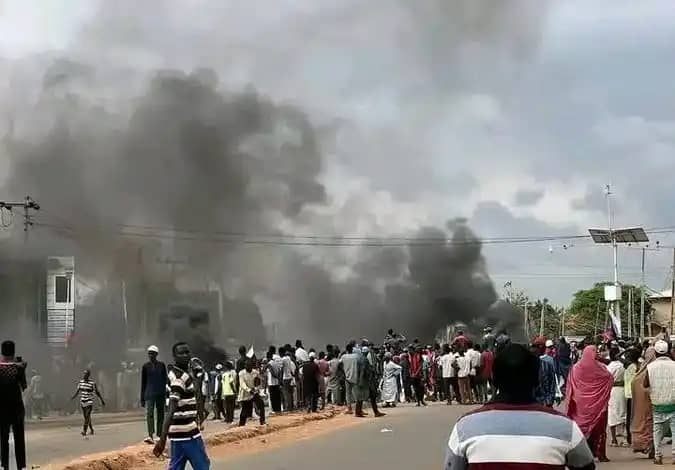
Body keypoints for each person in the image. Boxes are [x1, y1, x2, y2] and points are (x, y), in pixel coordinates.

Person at [444, 343, 596, 470]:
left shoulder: (464, 427)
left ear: (494, 380)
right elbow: (585, 466)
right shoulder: (565, 427)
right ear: (537, 381)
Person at [153, 342, 210, 470]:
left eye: (187, 352)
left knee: (176, 467)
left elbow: (195, 398)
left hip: (178, 435)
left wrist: (196, 379)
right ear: (174, 356)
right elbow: (171, 410)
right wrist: (162, 440)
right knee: (203, 466)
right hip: (188, 434)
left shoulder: (182, 374)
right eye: (181, 353)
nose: (185, 355)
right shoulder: (178, 379)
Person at [566, 345, 613, 462]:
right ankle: (600, 454)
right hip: (598, 406)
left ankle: (580, 454)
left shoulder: (576, 368)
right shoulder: (602, 368)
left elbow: (570, 386)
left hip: (580, 406)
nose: (597, 354)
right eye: (596, 352)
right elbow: (610, 379)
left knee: (580, 429)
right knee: (599, 429)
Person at [644, 340, 675, 465]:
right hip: (673, 402)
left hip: (657, 403)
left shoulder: (650, 367)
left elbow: (645, 384)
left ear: (655, 353)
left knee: (657, 430)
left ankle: (658, 456)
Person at [0, 340, 27, 470]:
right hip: (16, 408)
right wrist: (22, 369)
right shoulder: (19, 367)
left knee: (3, 439)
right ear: (13, 352)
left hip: (2, 409)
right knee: (19, 439)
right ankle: (21, 466)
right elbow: (24, 387)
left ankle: (4, 466)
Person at [630, 347, 656, 459]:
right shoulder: (649, 370)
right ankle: (652, 448)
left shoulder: (645, 370)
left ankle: (651, 448)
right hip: (651, 402)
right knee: (651, 425)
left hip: (644, 404)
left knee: (649, 424)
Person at [140, 345, 168, 444]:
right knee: (149, 414)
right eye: (149, 353)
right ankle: (150, 435)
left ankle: (159, 435)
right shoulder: (145, 366)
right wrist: (142, 398)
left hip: (160, 393)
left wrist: (167, 394)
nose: (150, 355)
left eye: (152, 353)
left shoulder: (161, 365)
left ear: (156, 354)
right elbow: (143, 382)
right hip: (149, 394)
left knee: (160, 415)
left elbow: (165, 380)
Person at [71, 369, 105, 436]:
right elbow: (77, 391)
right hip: (82, 401)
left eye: (86, 374)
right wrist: (73, 397)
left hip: (89, 401)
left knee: (87, 416)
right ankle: (91, 429)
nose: (84, 375)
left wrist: (101, 400)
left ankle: (84, 431)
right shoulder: (81, 382)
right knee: (86, 417)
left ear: (88, 375)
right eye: (84, 374)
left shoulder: (92, 383)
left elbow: (97, 392)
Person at [354, 345, 385, 418]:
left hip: (362, 380)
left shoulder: (359, 359)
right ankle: (376, 412)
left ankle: (358, 411)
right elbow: (363, 371)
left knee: (360, 396)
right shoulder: (365, 360)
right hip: (366, 381)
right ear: (367, 352)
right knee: (372, 395)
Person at [606, 347, 627, 447]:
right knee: (624, 413)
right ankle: (625, 438)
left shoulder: (609, 367)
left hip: (613, 391)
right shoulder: (623, 365)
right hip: (623, 390)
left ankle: (614, 440)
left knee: (612, 415)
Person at [238, 359, 266, 426]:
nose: (248, 367)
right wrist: (249, 390)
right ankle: (241, 425)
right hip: (245, 393)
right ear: (245, 366)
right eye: (247, 365)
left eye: (250, 365)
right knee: (245, 410)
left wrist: (256, 388)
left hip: (254, 392)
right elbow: (242, 384)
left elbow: (260, 381)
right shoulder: (241, 373)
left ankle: (262, 421)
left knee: (261, 404)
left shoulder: (255, 372)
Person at [623, 348, 640, 447]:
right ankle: (635, 437)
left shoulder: (628, 366)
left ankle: (629, 438)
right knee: (636, 416)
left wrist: (625, 350)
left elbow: (617, 357)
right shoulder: (639, 366)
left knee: (629, 417)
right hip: (637, 394)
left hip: (629, 394)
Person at [533, 343, 557, 407]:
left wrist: (549, 400)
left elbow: (552, 383)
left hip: (545, 402)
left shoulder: (547, 365)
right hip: (532, 404)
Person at [340, 342, 359, 414]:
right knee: (356, 394)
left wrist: (343, 371)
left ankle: (349, 408)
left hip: (347, 377)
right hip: (355, 376)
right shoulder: (356, 356)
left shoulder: (344, 356)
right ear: (352, 349)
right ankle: (358, 409)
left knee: (348, 394)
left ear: (346, 350)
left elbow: (339, 364)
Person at [281, 347, 296, 412]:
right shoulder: (289, 358)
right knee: (290, 393)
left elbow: (281, 369)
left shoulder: (283, 359)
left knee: (286, 393)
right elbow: (290, 368)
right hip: (290, 377)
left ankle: (288, 407)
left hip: (285, 377)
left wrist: (280, 379)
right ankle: (291, 406)